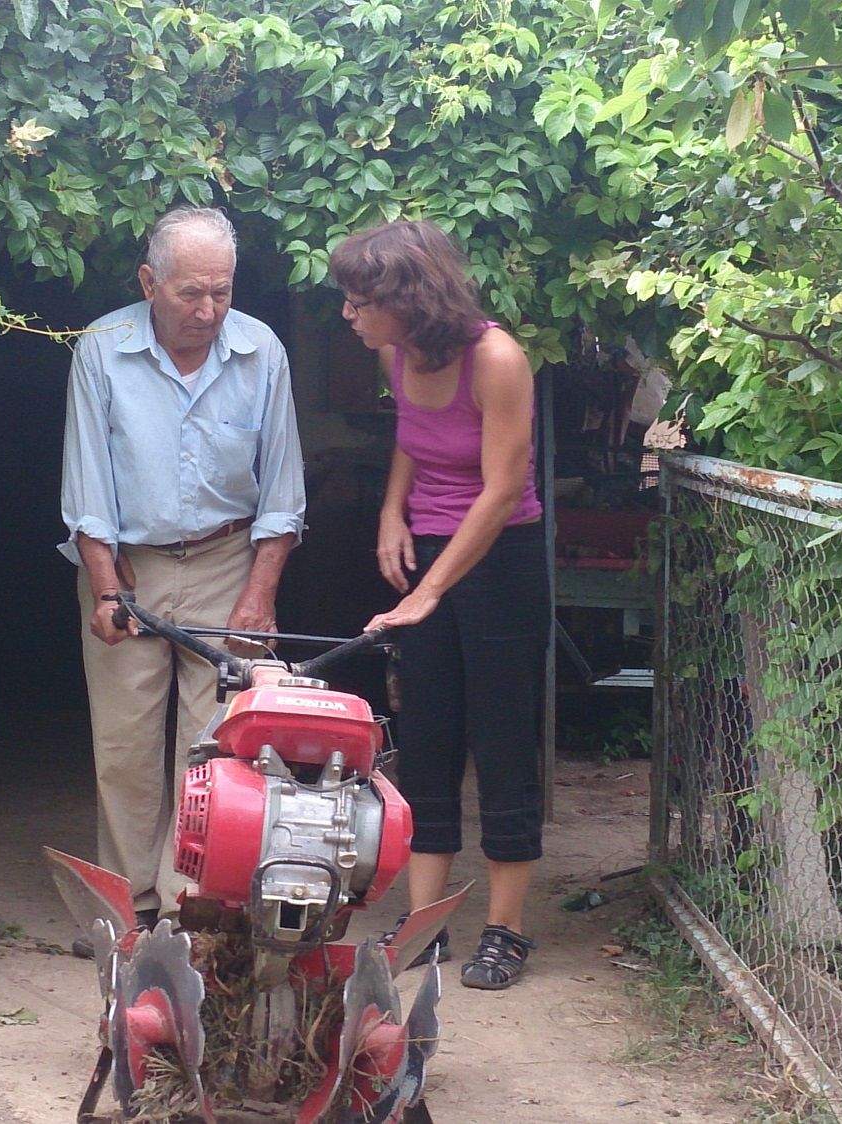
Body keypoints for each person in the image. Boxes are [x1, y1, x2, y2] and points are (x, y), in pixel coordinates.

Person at [61, 207, 306, 925]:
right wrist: (105, 588)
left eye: (221, 292)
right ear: (149, 283)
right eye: (190, 293)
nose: (207, 311)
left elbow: (283, 492)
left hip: (230, 560)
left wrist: (260, 595)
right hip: (128, 568)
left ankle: (192, 904)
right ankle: (128, 906)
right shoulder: (102, 348)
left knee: (217, 747)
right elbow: (87, 483)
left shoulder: (261, 351)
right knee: (124, 744)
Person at [329, 219, 548, 990]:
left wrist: (430, 591)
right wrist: (393, 512)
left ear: (407, 299)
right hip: (428, 548)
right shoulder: (395, 353)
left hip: (500, 560)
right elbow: (413, 436)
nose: (348, 315)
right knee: (427, 736)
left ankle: (505, 929)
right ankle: (427, 924)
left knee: (502, 739)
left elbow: (502, 492)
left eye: (360, 302)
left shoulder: (497, 359)